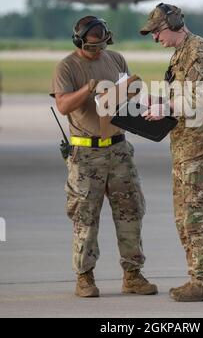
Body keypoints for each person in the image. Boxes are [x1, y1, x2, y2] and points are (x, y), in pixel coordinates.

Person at [50, 16, 157, 298]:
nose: (98, 51)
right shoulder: (67, 66)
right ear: (79, 42)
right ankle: (85, 277)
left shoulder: (116, 59)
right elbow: (62, 106)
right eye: (92, 47)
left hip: (119, 148)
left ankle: (132, 275)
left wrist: (134, 91)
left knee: (131, 210)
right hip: (86, 153)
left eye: (102, 45)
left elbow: (128, 96)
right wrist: (88, 89)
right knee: (85, 216)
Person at [140, 4, 203, 302]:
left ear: (174, 23)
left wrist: (165, 108)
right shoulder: (181, 55)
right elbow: (186, 96)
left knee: (199, 215)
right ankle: (198, 278)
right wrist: (157, 100)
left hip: (200, 148)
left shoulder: (197, 51)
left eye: (156, 31)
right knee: (184, 216)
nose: (154, 38)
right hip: (186, 146)